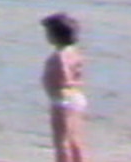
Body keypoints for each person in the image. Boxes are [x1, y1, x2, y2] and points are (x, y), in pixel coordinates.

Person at [41, 12, 88, 162]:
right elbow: (78, 73)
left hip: (62, 100)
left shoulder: (60, 55)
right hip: (76, 97)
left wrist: (60, 85)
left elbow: (64, 75)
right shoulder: (74, 52)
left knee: (61, 142)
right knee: (74, 138)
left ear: (54, 35)